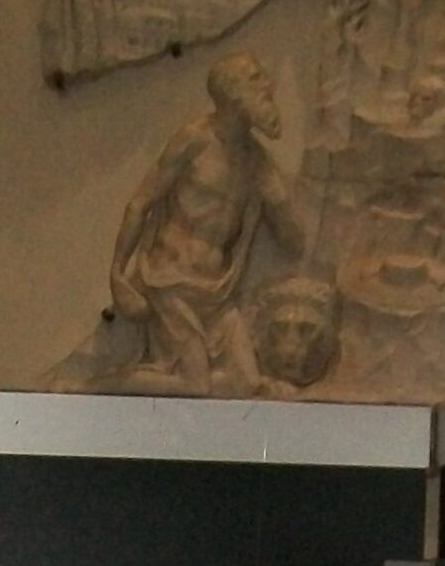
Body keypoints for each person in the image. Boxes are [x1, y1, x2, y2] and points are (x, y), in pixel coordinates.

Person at [108, 52, 305, 396]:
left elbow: (294, 243)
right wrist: (118, 274)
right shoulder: (195, 139)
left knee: (250, 384)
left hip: (217, 293)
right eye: (255, 79)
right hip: (170, 281)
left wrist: (279, 199)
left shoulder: (257, 162)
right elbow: (141, 202)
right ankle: (91, 389)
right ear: (231, 92)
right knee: (196, 384)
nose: (267, 87)